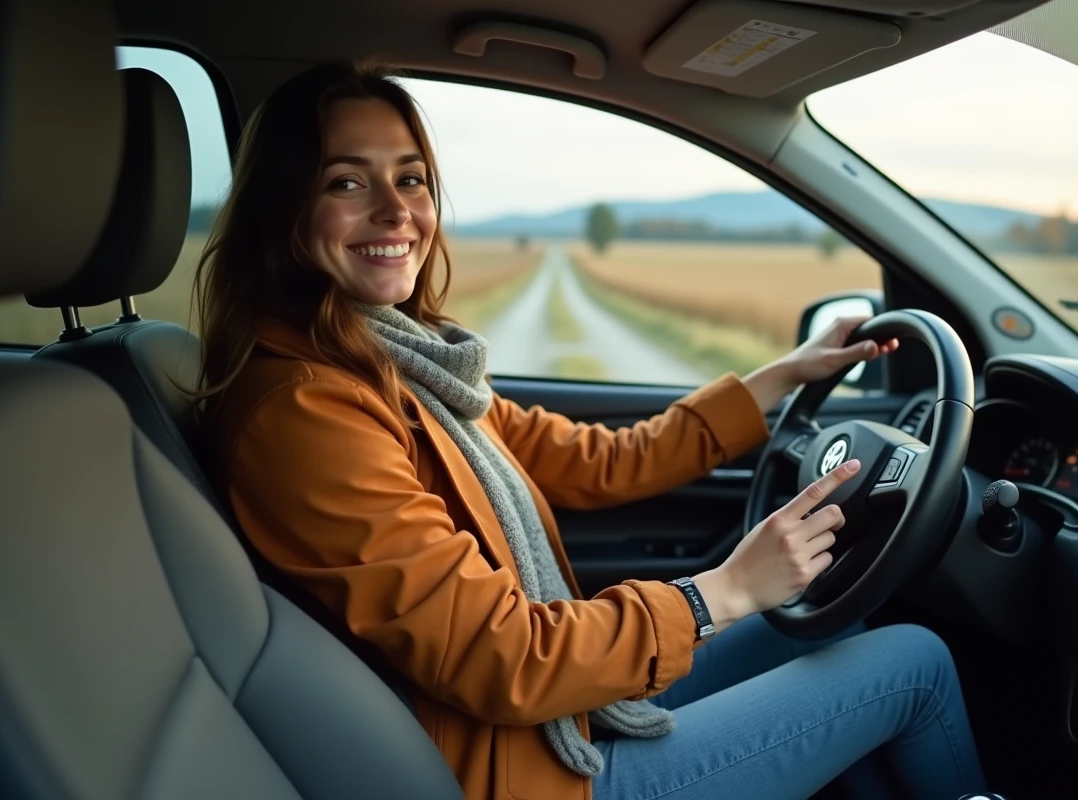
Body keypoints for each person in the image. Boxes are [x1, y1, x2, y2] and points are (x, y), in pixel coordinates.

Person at [194, 59, 989, 800]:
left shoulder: (402, 367)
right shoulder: (305, 411)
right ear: (284, 207)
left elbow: (601, 461)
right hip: (522, 770)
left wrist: (779, 378)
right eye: (346, 181)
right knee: (911, 664)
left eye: (412, 179)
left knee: (841, 617)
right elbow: (498, 654)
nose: (397, 210)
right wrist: (728, 589)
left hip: (547, 717)